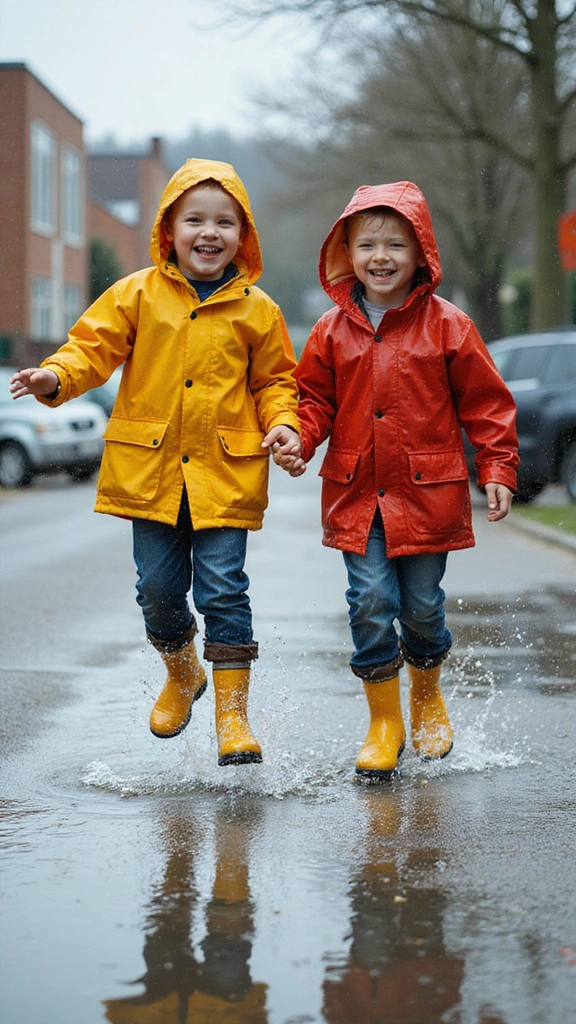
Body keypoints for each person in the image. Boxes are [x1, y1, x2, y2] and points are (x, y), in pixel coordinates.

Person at [10, 158, 301, 768]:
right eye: (194, 219)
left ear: (242, 236)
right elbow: (92, 347)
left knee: (225, 590)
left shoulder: (259, 311)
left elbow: (277, 382)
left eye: (225, 222)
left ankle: (233, 717)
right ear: (169, 229)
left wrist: (282, 424)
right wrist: (54, 377)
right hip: (154, 474)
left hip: (226, 473)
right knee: (158, 592)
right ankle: (181, 673)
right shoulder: (137, 293)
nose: (209, 232)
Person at [273, 181, 518, 780]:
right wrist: (297, 438)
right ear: (346, 254)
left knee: (423, 607)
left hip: (427, 495)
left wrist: (497, 467)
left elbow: (485, 404)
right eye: (366, 245)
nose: (380, 257)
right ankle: (384, 722)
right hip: (359, 496)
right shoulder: (331, 331)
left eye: (395, 246)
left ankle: (427, 695)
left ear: (421, 254)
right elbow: (313, 401)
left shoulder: (449, 326)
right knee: (370, 602)